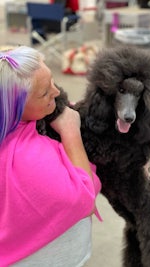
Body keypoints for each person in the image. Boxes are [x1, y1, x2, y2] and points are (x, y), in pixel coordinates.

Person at [0, 46, 102, 267]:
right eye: (45, 93)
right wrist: (70, 131)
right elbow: (84, 200)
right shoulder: (26, 159)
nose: (56, 92)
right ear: (15, 107)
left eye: (53, 82)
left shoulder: (23, 120)